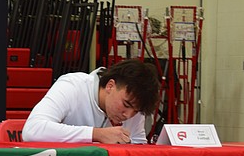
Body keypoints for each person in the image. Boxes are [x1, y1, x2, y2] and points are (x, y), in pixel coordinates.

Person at [22, 58, 161, 144]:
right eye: (126, 105)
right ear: (110, 86)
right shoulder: (72, 86)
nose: (128, 115)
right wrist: (96, 134)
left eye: (136, 111)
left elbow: (138, 146)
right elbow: (33, 130)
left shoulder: (135, 104)